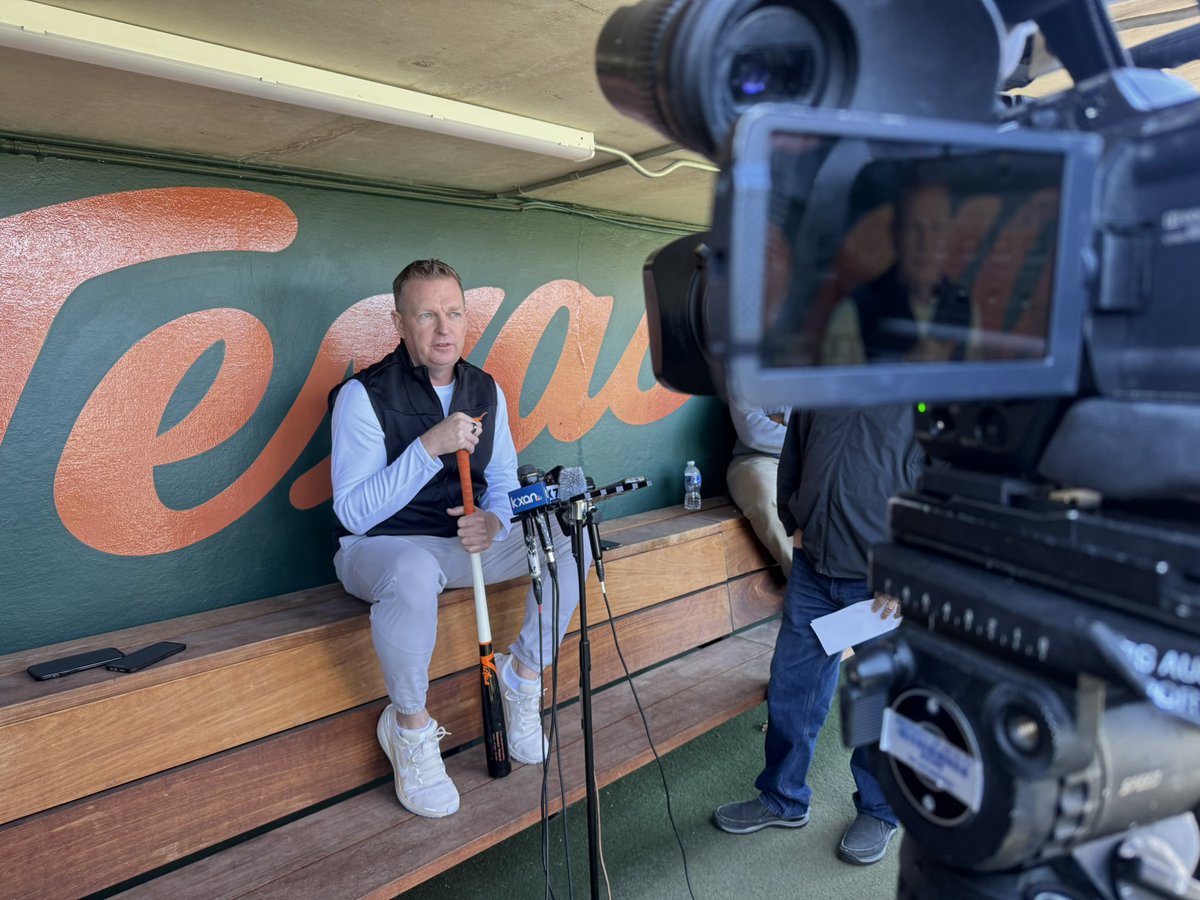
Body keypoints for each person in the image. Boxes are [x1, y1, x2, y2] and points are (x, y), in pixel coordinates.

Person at [328, 259, 586, 818]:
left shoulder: (484, 387)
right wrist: (429, 448)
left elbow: (501, 486)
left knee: (573, 537)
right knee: (415, 571)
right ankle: (410, 728)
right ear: (400, 323)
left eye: (453, 312)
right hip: (382, 551)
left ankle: (521, 679)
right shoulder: (362, 395)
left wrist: (494, 521)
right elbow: (352, 514)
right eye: (427, 315)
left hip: (466, 546)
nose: (444, 328)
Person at [713, 405, 922, 864]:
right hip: (813, 567)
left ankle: (879, 808)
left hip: (877, 582)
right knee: (792, 687)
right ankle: (782, 797)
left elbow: (938, 488)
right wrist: (793, 519)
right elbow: (794, 453)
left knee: (874, 699)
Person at [822, 179, 977, 367]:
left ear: (949, 236)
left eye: (936, 228)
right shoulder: (852, 315)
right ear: (895, 235)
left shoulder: (967, 310)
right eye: (914, 229)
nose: (925, 244)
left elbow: (977, 392)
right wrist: (899, 373)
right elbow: (837, 393)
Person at [726, 400, 792, 578]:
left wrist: (782, 420)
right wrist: (807, 430)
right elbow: (753, 432)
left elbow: (837, 424)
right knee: (767, 498)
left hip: (816, 458)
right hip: (759, 459)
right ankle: (808, 585)